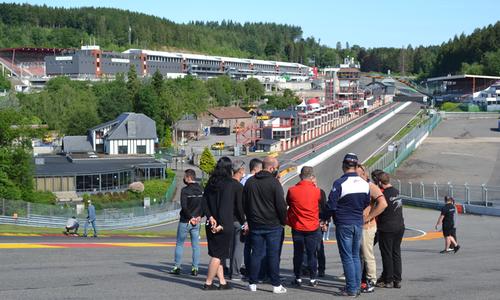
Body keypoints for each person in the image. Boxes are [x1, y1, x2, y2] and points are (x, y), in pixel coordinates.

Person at [326, 153, 370, 297]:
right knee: (356, 256)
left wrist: (324, 219)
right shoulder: (365, 184)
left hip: (344, 222)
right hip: (358, 222)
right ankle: (356, 286)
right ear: (356, 166)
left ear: (344, 166)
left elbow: (331, 205)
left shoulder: (339, 183)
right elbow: (366, 203)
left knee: (347, 257)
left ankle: (351, 288)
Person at [243, 156, 287, 294]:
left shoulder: (250, 182)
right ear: (271, 168)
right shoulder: (274, 183)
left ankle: (252, 283)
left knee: (256, 253)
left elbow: (244, 203)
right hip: (273, 224)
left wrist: (249, 220)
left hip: (255, 223)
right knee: (273, 255)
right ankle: (275, 284)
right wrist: (283, 221)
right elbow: (281, 205)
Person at [203, 157, 242, 291]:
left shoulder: (211, 183)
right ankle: (208, 283)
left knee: (219, 253)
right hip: (224, 224)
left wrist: (210, 217)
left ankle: (222, 281)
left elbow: (204, 203)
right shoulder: (233, 184)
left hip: (210, 223)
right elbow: (234, 207)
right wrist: (224, 224)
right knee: (218, 255)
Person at [287, 166, 322, 287]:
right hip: (312, 226)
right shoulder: (317, 191)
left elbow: (288, 203)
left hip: (297, 226)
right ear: (312, 177)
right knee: (312, 254)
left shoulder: (292, 190)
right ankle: (312, 278)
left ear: (300, 176)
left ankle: (298, 277)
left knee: (298, 253)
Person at [357, 164, 388, 293]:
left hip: (367, 227)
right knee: (357, 255)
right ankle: (358, 280)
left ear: (365, 174)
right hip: (355, 226)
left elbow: (383, 204)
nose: (356, 176)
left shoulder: (371, 186)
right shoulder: (355, 186)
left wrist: (369, 217)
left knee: (367, 254)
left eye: (358, 174)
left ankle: (371, 280)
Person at [170, 169, 204, 276]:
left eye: (185, 177)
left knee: (180, 244)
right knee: (195, 246)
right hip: (197, 221)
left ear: (189, 177)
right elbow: (204, 205)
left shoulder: (185, 190)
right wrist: (199, 216)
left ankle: (177, 267)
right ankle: (195, 268)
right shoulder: (201, 189)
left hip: (186, 221)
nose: (184, 179)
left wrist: (190, 217)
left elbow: (184, 206)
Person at [376, 172, 405, 289]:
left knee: (387, 254)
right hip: (399, 226)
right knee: (396, 253)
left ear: (379, 182)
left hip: (387, 227)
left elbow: (380, 208)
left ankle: (388, 280)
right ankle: (397, 280)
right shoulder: (396, 191)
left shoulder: (383, 194)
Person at [240, 158, 263, 279]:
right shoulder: (251, 181)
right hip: (251, 218)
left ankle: (248, 268)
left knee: (247, 245)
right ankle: (253, 270)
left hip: (245, 217)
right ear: (256, 169)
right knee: (255, 246)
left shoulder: (243, 180)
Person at [228, 160, 247, 281]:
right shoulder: (239, 186)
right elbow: (240, 207)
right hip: (236, 220)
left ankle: (230, 270)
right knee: (238, 247)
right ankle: (235, 272)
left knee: (231, 247)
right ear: (240, 171)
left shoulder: (226, 184)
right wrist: (244, 221)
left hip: (226, 219)